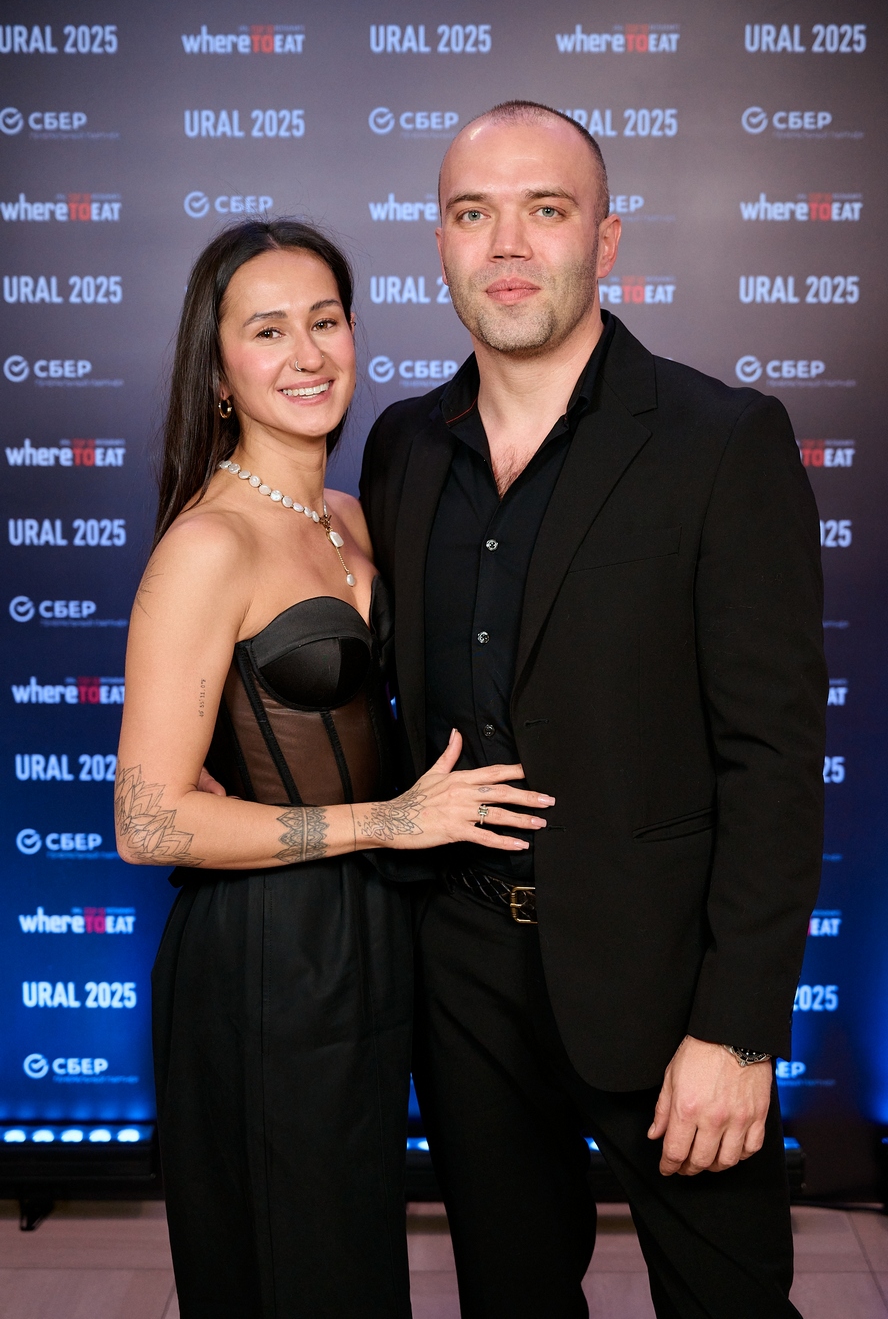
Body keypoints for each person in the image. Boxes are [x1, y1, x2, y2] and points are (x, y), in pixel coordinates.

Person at [359, 102, 826, 1318]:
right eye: (474, 213)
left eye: (547, 210)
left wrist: (739, 1029)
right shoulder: (402, 446)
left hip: (666, 985)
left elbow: (775, 759)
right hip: (461, 975)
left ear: (607, 240)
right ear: (441, 243)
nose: (507, 243)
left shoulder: (722, 441)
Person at [114, 218, 553, 1318]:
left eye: (325, 321)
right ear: (218, 373)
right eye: (268, 331)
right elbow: (148, 822)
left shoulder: (351, 515)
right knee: (294, 1267)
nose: (307, 354)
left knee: (355, 1260)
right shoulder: (208, 545)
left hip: (376, 936)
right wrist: (387, 821)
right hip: (266, 954)